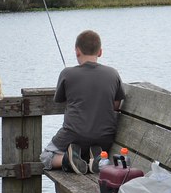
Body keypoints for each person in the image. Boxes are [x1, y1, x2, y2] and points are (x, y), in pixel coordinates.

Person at [41, 30, 126, 174]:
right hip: (104, 137)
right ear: (100, 52)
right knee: (89, 146)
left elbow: (60, 100)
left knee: (46, 157)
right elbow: (116, 105)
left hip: (74, 134)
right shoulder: (113, 73)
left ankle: (68, 160)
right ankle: (96, 157)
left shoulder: (67, 73)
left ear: (77, 51)